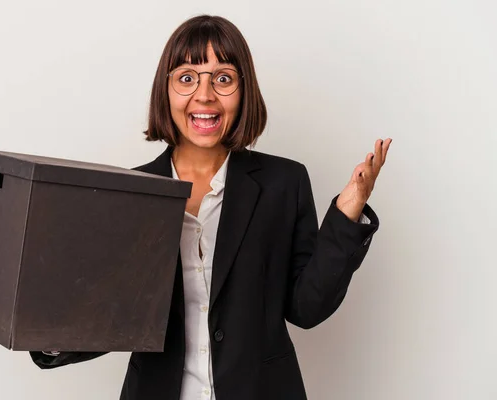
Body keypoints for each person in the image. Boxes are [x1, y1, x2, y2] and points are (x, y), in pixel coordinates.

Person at [30, 14, 392, 400]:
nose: (204, 95)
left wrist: (348, 211)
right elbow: (114, 317)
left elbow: (306, 307)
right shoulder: (130, 193)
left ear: (243, 90)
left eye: (223, 78)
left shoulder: (283, 183)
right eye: (187, 78)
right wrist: (53, 338)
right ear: (165, 91)